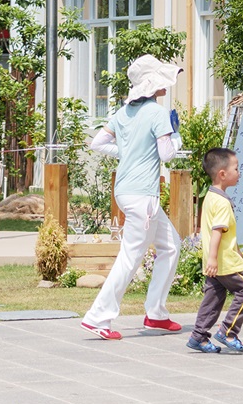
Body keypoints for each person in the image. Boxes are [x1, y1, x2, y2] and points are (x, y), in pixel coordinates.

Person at [80, 55, 187, 340]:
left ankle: (156, 314)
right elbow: (166, 154)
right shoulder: (156, 113)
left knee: (171, 245)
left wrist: (127, 153)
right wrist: (176, 136)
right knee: (130, 258)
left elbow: (98, 143)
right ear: (154, 85)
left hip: (127, 191)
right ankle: (98, 317)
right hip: (144, 195)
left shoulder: (123, 112)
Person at [188, 148, 243, 354]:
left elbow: (221, 233)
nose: (239, 172)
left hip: (214, 261)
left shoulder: (210, 197)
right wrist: (215, 259)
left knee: (213, 297)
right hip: (224, 262)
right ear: (222, 174)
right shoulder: (223, 202)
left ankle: (199, 336)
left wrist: (213, 259)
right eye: (236, 168)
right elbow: (217, 232)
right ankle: (228, 331)